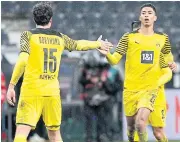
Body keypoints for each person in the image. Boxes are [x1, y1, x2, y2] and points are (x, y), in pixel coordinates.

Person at [6, 2, 113, 142]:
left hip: (31, 91)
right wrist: (97, 44)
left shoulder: (27, 36)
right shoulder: (59, 38)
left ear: (34, 19)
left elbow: (22, 60)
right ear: (51, 20)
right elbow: (78, 45)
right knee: (55, 134)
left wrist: (12, 85)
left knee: (21, 132)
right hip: (52, 92)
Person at [98, 3, 177, 142]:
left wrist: (171, 63)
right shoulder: (128, 37)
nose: (146, 15)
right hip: (131, 90)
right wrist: (107, 54)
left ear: (155, 18)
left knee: (143, 125)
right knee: (131, 130)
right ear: (140, 17)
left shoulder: (162, 38)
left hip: (151, 90)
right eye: (144, 13)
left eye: (149, 13)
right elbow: (115, 59)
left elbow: (167, 57)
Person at [131, 21, 174, 142]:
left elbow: (168, 72)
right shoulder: (132, 55)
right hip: (138, 96)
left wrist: (156, 83)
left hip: (156, 97)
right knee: (137, 129)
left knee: (158, 134)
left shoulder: (157, 51)